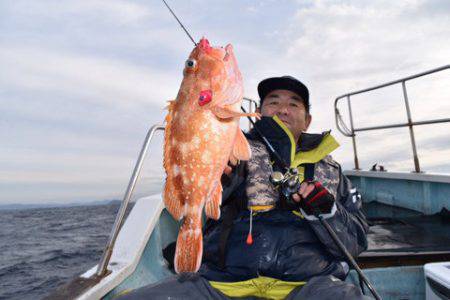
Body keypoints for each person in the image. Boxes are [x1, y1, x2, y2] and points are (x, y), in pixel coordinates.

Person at [120, 76, 370, 300]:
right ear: (258, 112)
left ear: (307, 120)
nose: (283, 109)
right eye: (273, 102)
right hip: (222, 283)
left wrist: (328, 210)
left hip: (311, 286)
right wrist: (221, 175)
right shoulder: (232, 148)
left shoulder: (333, 171)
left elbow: (355, 244)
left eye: (294, 104)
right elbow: (210, 182)